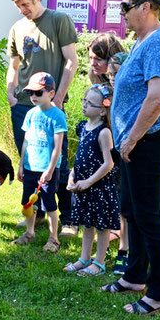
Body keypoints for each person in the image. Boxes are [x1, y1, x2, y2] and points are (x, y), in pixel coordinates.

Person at [101, 0, 160, 317]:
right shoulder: (144, 40)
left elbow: (158, 97)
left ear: (145, 7)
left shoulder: (159, 43)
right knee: (132, 212)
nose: (122, 14)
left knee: (148, 217)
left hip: (148, 141)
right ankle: (135, 277)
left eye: (125, 7)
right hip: (135, 142)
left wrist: (131, 138)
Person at [6, 0, 79, 237]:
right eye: (18, 6)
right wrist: (11, 95)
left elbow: (72, 61)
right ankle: (33, 213)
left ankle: (68, 219)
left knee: (56, 162)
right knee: (30, 161)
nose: (22, 10)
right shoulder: (16, 28)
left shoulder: (59, 20)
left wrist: (59, 97)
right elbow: (13, 66)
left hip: (51, 105)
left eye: (25, 4)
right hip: (23, 106)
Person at [62, 84, 119, 276]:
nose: (84, 105)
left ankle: (99, 262)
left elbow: (108, 163)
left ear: (103, 110)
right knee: (87, 223)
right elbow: (80, 156)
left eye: (90, 103)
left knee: (102, 226)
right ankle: (84, 258)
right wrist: (73, 174)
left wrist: (89, 182)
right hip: (83, 185)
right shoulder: (83, 127)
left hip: (99, 187)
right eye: (84, 101)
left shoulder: (104, 132)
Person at [87, 34, 131, 274]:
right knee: (107, 199)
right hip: (104, 146)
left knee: (124, 202)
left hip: (123, 145)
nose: (93, 63)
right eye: (91, 58)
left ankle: (124, 251)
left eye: (98, 59)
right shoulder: (99, 83)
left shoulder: (122, 81)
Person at [11, 72, 68, 253]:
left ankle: (54, 238)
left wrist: (50, 169)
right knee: (29, 202)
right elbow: (26, 141)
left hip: (47, 169)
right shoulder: (30, 114)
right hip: (30, 167)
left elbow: (58, 147)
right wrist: (21, 165)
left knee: (49, 204)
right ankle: (30, 233)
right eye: (31, 93)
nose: (33, 97)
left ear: (51, 93)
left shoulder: (57, 115)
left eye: (38, 93)